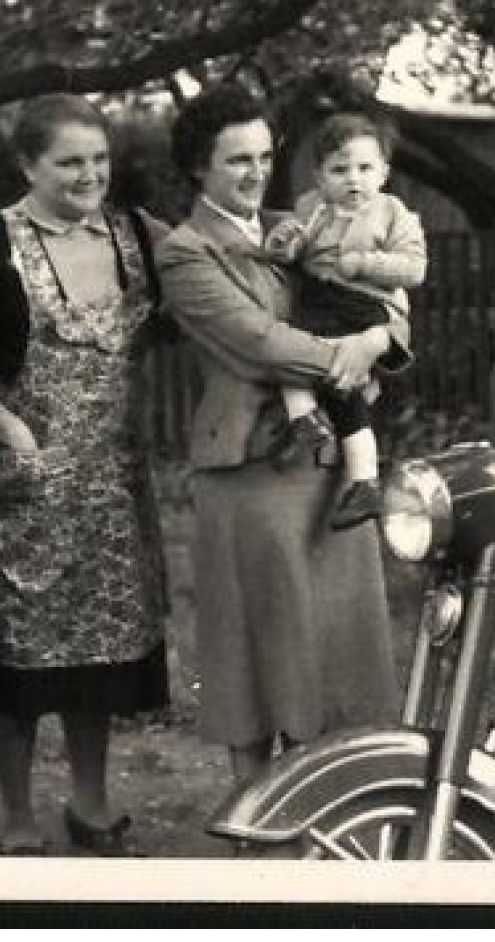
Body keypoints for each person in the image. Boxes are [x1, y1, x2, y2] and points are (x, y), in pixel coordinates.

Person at [0, 94, 170, 857]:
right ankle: (14, 810)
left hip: (109, 489)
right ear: (28, 164)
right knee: (17, 659)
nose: (88, 174)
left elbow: (223, 278)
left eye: (98, 159)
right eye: (69, 161)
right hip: (18, 486)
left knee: (98, 656)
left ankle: (91, 801)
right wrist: (2, 425)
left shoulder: (140, 236)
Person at [155, 85, 402, 786]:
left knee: (340, 643)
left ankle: (339, 795)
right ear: (197, 168)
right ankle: (256, 813)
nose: (255, 171)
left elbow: (379, 300)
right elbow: (254, 342)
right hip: (249, 469)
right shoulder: (186, 252)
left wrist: (384, 334)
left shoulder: (302, 226)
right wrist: (347, 356)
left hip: (329, 466)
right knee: (258, 647)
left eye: (264, 156)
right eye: (236, 160)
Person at [264, 112, 427, 530]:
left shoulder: (394, 213)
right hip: (317, 301)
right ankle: (307, 420)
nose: (353, 180)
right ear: (319, 176)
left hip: (363, 303)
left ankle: (364, 477)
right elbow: (295, 247)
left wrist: (365, 263)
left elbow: (414, 269)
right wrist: (284, 247)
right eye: (339, 170)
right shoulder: (311, 207)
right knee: (287, 348)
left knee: (340, 377)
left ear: (384, 173)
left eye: (365, 168)